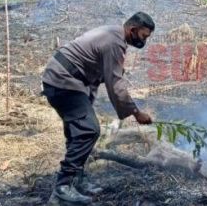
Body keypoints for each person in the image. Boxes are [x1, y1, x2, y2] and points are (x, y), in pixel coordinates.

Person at [42, 12, 155, 205]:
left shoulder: (112, 33)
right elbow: (115, 84)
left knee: (79, 131)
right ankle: (63, 187)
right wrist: (136, 113)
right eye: (143, 36)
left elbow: (95, 75)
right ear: (133, 30)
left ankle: (76, 181)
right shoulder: (115, 43)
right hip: (62, 81)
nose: (144, 41)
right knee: (89, 130)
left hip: (63, 79)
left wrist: (88, 102)